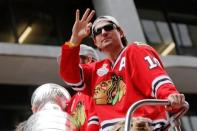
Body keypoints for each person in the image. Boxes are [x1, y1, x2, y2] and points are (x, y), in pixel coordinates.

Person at [59, 8, 186, 130]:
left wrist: (170, 95)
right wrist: (75, 40)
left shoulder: (135, 51)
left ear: (120, 32)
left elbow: (155, 78)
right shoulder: (95, 70)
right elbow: (69, 75)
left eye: (108, 27)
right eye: (97, 31)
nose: (103, 32)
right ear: (96, 42)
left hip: (140, 126)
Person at [66, 44, 100, 131]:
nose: (70, 64)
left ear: (88, 60)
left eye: (74, 60)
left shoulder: (99, 86)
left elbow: (95, 123)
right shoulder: (73, 99)